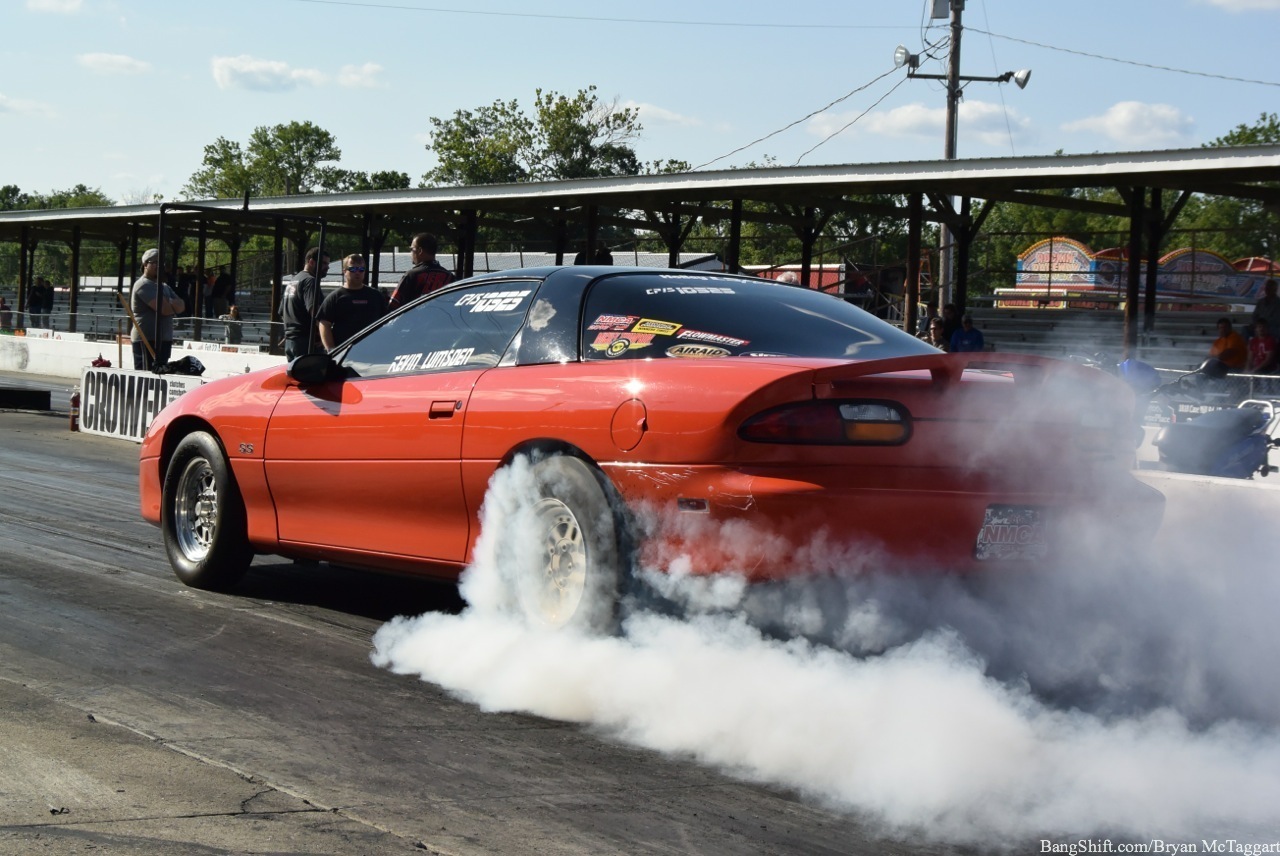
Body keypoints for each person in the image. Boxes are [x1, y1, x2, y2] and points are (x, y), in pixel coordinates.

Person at [316, 254, 388, 351]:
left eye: (361, 270)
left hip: (373, 352)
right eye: (353, 269)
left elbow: (386, 322)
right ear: (344, 271)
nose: (357, 272)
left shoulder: (376, 296)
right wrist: (331, 349)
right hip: (344, 354)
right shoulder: (335, 297)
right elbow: (324, 323)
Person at [130, 247, 186, 371]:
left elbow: (182, 306)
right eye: (155, 263)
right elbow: (164, 309)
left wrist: (169, 302)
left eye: (161, 263)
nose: (159, 266)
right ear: (145, 264)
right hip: (147, 339)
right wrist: (172, 305)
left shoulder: (164, 286)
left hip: (164, 338)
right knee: (146, 376)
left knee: (160, 375)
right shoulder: (143, 285)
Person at [282, 247, 330, 360]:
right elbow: (315, 311)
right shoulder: (310, 281)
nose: (327, 267)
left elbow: (282, 312)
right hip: (307, 342)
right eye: (323, 263)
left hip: (291, 341)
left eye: (328, 264)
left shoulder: (294, 280)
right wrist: (326, 335)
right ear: (311, 262)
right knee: (313, 376)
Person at [388, 232, 453, 311]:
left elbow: (393, 305)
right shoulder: (450, 277)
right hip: (441, 321)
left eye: (411, 249)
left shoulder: (412, 275)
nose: (410, 253)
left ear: (420, 250)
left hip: (415, 321)